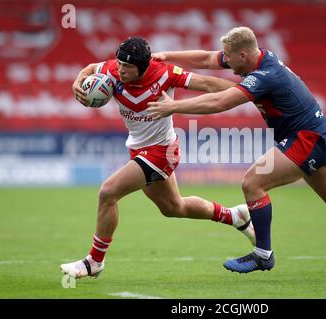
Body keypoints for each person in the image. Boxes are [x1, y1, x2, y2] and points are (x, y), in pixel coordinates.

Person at [147, 27, 326, 277]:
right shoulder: (253, 58)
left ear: (243, 55)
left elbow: (220, 102)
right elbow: (207, 58)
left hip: (307, 138)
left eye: (228, 57)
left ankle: (263, 255)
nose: (225, 61)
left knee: (253, 183)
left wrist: (174, 107)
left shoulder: (265, 75)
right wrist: (166, 56)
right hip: (320, 132)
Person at [60, 37, 255, 279]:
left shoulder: (164, 74)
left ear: (142, 67)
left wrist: (254, 90)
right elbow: (91, 68)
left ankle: (94, 261)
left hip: (162, 151)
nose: (120, 70)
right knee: (174, 207)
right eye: (119, 64)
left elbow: (207, 84)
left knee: (108, 192)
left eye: (127, 67)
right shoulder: (114, 69)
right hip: (138, 149)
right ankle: (234, 216)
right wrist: (78, 81)